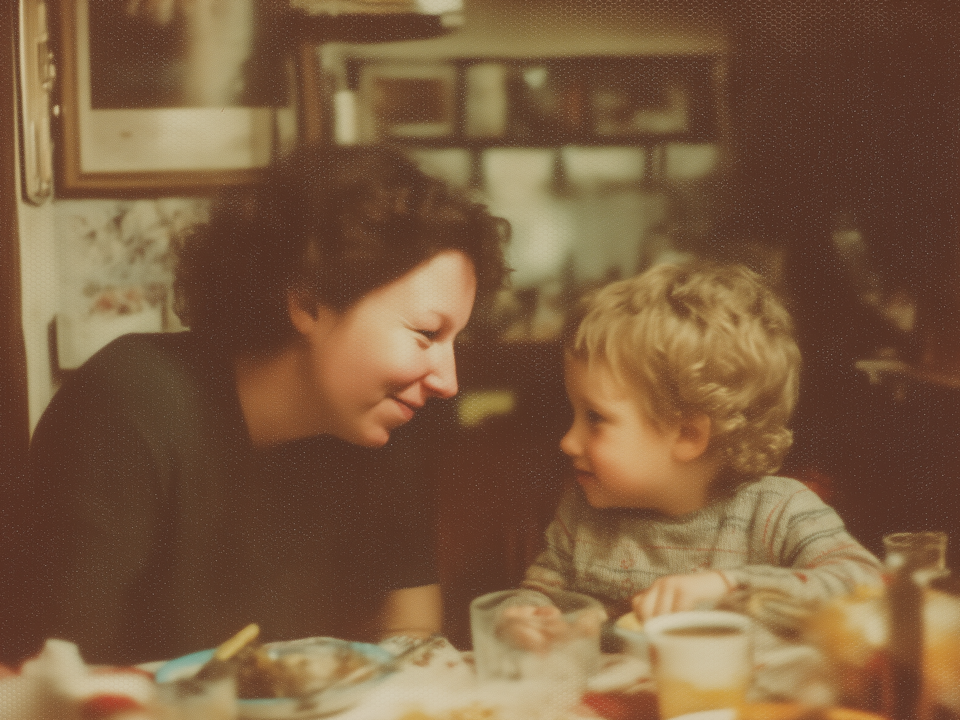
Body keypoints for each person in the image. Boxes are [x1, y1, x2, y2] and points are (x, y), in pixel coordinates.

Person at [2, 145, 509, 666]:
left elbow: (411, 630)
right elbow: (48, 677)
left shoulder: (386, 424)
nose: (448, 381)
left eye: (454, 340)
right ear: (308, 302)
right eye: (426, 334)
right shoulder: (127, 407)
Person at [510, 261, 882, 637]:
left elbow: (867, 582)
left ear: (688, 434)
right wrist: (526, 620)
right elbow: (537, 597)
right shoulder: (582, 515)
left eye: (595, 417)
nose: (568, 441)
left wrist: (731, 585)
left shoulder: (777, 513)